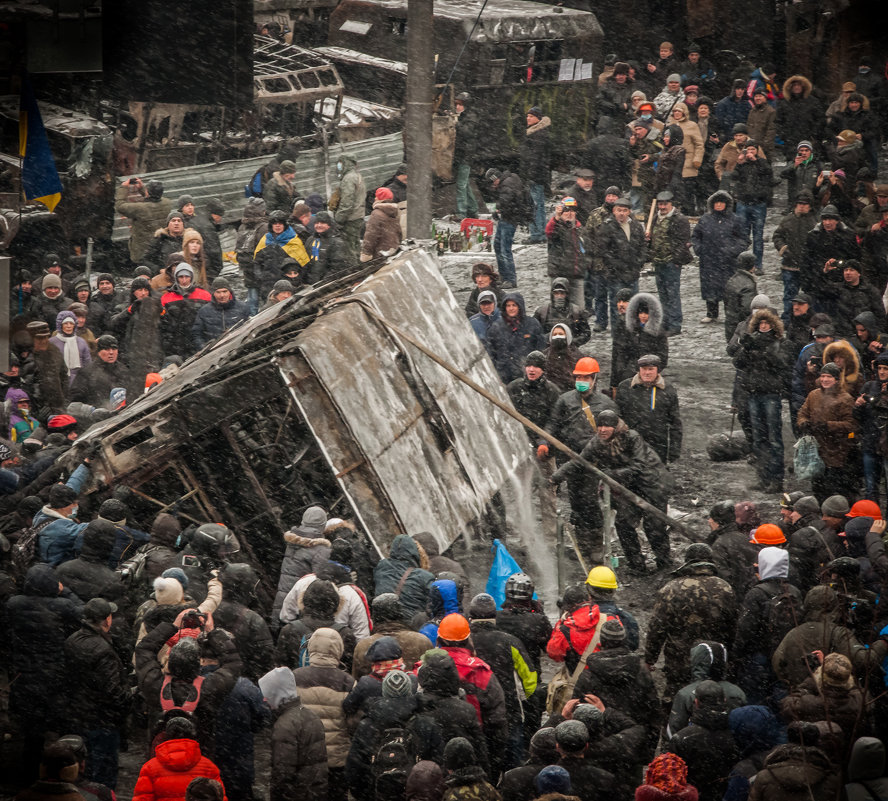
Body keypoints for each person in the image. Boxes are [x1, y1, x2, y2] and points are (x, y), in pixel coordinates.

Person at [553, 408, 671, 573]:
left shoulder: (632, 438)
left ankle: (664, 564)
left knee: (654, 526)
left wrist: (612, 475)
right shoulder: (597, 442)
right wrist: (556, 478)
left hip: (652, 485)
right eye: (599, 426)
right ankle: (636, 565)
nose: (602, 430)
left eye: (607, 426)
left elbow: (639, 466)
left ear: (615, 427)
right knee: (623, 523)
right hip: (627, 487)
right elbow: (579, 461)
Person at [545, 358, 617, 565]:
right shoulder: (565, 400)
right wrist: (545, 442)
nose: (581, 381)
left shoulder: (606, 405)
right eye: (578, 377)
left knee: (592, 502)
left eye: (586, 377)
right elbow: (553, 424)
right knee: (576, 501)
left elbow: (615, 434)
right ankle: (583, 544)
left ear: (594, 379)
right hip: (569, 459)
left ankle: (596, 544)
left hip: (595, 461)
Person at [644, 543, 737, 695]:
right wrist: (731, 655)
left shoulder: (671, 589)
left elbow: (657, 628)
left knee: (676, 700)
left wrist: (650, 658)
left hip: (679, 662)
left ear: (688, 561)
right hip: (714, 659)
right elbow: (733, 625)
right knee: (712, 699)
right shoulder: (724, 588)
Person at [64, 598, 129, 789]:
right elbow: (112, 691)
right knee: (102, 776)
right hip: (102, 720)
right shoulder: (103, 649)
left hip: (78, 715)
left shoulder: (72, 640)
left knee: (83, 771)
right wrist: (128, 697)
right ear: (106, 620)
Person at [291, 628, 355, 801]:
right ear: (338, 650)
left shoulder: (294, 677)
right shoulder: (347, 681)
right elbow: (352, 721)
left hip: (305, 754)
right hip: (336, 758)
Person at [732, 307, 786, 492]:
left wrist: (761, 349)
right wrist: (746, 348)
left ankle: (776, 479)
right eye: (761, 323)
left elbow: (781, 364)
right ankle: (763, 478)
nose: (763, 326)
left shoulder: (781, 343)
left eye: (767, 323)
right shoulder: (752, 341)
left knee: (774, 438)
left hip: (771, 394)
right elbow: (737, 363)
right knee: (758, 439)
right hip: (753, 394)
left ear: (773, 325)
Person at [797, 361, 858, 500]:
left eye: (829, 377)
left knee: (838, 489)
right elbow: (802, 413)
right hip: (817, 451)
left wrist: (827, 426)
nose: (825, 379)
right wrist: (804, 423)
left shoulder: (845, 399)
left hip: (837, 450)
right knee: (818, 488)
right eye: (823, 376)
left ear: (836, 379)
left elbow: (851, 425)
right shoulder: (813, 395)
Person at [132, 716, 225, 801]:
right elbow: (220, 797)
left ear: (167, 736)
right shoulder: (208, 767)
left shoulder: (150, 768)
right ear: (192, 735)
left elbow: (142, 798)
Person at [692, 190, 748, 323]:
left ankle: (730, 314)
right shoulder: (705, 219)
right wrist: (699, 249)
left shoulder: (735, 220)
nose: (718, 205)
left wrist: (732, 251)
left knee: (728, 289)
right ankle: (711, 313)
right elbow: (696, 236)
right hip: (708, 260)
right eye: (716, 202)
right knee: (710, 288)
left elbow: (744, 240)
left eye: (721, 202)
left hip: (727, 261)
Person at [615, 354, 682, 464]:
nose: (647, 372)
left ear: (658, 370)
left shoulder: (668, 390)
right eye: (644, 369)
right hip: (630, 443)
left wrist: (674, 450)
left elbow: (675, 423)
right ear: (638, 370)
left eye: (651, 369)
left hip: (658, 446)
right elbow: (617, 417)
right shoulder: (625, 387)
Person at [595, 197, 646, 330]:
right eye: (619, 210)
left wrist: (639, 261)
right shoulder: (607, 226)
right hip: (615, 274)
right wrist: (617, 265)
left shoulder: (636, 226)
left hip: (633, 272)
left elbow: (642, 246)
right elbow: (603, 250)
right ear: (614, 211)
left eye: (624, 210)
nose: (621, 213)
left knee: (634, 304)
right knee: (617, 305)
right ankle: (618, 332)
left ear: (629, 211)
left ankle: (633, 330)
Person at [647, 191, 693, 337]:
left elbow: (683, 242)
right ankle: (665, 321)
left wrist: (676, 260)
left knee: (672, 294)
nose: (662, 207)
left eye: (665, 204)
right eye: (660, 204)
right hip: (658, 262)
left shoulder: (679, 219)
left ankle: (675, 324)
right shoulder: (655, 219)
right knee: (663, 294)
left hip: (671, 262)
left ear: (671, 204)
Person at [773, 191, 819, 321]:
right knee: (789, 296)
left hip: (809, 266)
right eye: (800, 204)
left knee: (810, 296)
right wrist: (783, 248)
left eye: (805, 204)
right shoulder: (788, 220)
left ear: (810, 206)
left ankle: (809, 320)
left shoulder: (815, 221)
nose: (802, 206)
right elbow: (777, 236)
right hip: (790, 265)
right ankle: (788, 320)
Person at [610, 292, 669, 393]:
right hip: (629, 371)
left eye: (646, 313)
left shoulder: (658, 332)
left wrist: (651, 368)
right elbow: (622, 352)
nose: (643, 316)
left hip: (649, 369)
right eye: (641, 313)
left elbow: (662, 355)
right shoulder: (629, 330)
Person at [486, 293, 546, 385]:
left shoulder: (532, 324)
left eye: (514, 305)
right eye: (508, 305)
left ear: (520, 306)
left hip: (527, 373)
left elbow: (540, 348)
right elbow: (491, 353)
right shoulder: (496, 327)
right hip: (504, 375)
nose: (511, 308)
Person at [373, 533, 435, 618]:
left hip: (384, 621)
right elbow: (435, 602)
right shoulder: (424, 576)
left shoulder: (381, 567)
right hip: (412, 624)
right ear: (415, 553)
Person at [253, 210, 310, 300]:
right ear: (271, 226)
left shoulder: (293, 241)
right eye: (274, 223)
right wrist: (261, 277)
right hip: (269, 285)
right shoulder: (265, 240)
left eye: (280, 223)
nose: (277, 226)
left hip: (288, 288)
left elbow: (303, 264)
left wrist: (294, 281)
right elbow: (257, 262)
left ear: (285, 225)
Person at [159, 265, 212, 359]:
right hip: (175, 341)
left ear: (191, 277)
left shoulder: (204, 295)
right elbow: (163, 322)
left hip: (198, 338)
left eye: (187, 276)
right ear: (176, 278)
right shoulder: (166, 297)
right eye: (181, 277)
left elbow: (211, 317)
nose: (184, 280)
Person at [545, 198, 591, 308]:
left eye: (572, 210)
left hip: (577, 274)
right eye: (566, 210)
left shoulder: (580, 228)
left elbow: (587, 248)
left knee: (579, 309)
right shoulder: (556, 225)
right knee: (558, 308)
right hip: (559, 275)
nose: (569, 213)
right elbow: (549, 232)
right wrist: (556, 217)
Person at [485, 169, 526, 289]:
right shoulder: (511, 179)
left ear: (495, 179)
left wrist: (498, 209)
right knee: (498, 246)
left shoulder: (506, 186)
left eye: (492, 183)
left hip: (509, 219)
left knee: (504, 250)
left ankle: (510, 279)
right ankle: (504, 277)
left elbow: (507, 202)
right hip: (509, 218)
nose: (493, 186)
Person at [191, 277, 251, 352]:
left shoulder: (242, 308)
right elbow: (196, 333)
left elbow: (250, 329)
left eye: (225, 291)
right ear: (213, 293)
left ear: (230, 292)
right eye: (218, 292)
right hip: (212, 353)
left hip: (238, 351)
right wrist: (203, 348)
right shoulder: (204, 311)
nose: (222, 295)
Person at [520, 107, 551, 244]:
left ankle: (537, 234)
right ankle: (541, 232)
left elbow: (535, 158)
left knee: (535, 205)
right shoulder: (539, 133)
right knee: (539, 205)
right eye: (527, 116)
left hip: (536, 176)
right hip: (539, 175)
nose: (528, 119)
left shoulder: (537, 135)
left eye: (531, 116)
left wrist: (530, 175)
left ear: (538, 118)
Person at [533, 278, 591, 346]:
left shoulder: (576, 312)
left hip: (570, 349)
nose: (559, 296)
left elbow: (586, 333)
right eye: (556, 293)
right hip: (548, 349)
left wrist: (572, 341)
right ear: (552, 294)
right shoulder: (542, 312)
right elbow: (533, 334)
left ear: (567, 294)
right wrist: (548, 339)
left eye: (562, 293)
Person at [332, 154, 365, 263]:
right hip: (358, 217)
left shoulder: (348, 178)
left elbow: (347, 203)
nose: (338, 166)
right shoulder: (357, 176)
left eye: (341, 163)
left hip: (350, 219)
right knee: (355, 248)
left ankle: (354, 272)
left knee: (349, 251)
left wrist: (338, 220)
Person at [453, 92, 479, 220]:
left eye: (459, 104)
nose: (457, 107)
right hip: (463, 154)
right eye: (456, 104)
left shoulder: (470, 117)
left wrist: (456, 123)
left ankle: (461, 213)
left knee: (461, 185)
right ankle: (473, 210)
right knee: (465, 184)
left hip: (466, 155)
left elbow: (467, 132)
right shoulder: (466, 116)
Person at [360, 186, 401, 262]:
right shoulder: (395, 211)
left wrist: (366, 253)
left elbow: (371, 235)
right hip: (393, 249)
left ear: (380, 199)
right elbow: (398, 231)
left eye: (377, 196)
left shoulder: (377, 214)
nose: (375, 198)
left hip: (381, 252)